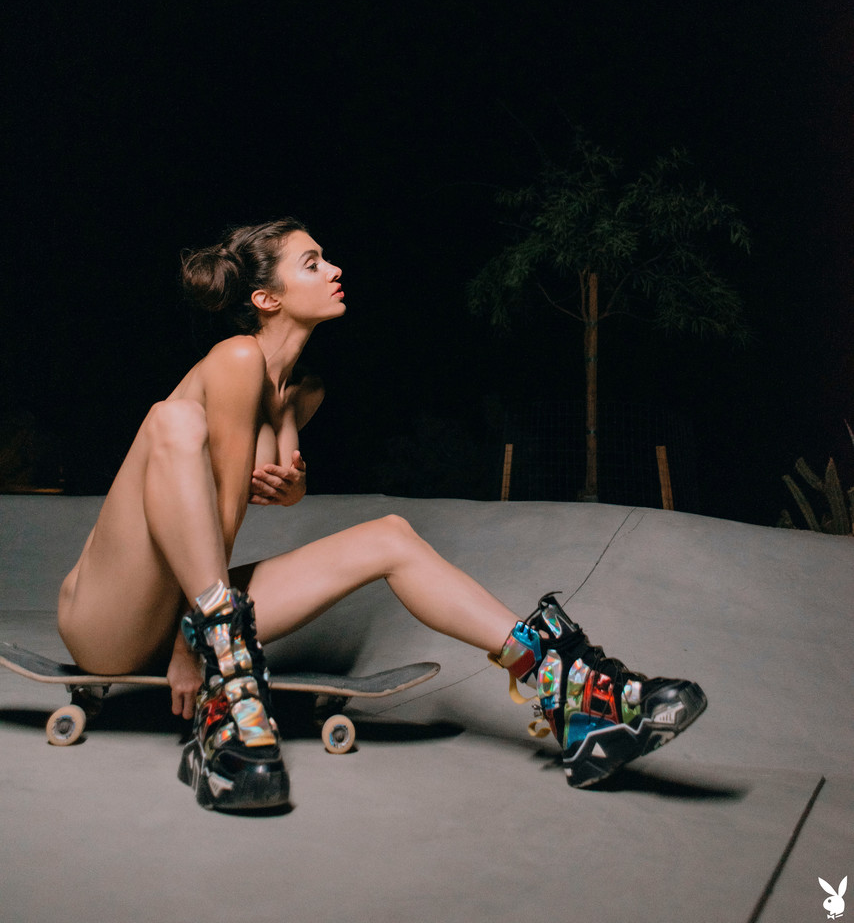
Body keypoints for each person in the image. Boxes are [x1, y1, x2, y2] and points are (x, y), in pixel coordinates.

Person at [57, 218, 706, 812]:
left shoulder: (304, 391)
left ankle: (573, 692)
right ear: (266, 298)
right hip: (109, 616)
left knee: (391, 537)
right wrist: (186, 646)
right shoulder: (236, 359)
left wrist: (293, 492)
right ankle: (219, 663)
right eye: (312, 263)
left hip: (195, 603)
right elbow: (225, 507)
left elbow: (261, 486)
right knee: (173, 420)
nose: (334, 269)